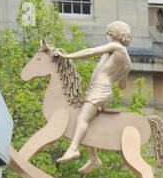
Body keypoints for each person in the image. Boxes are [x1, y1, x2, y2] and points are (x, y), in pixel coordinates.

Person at [54, 21, 133, 167]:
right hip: (106, 92)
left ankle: (73, 148)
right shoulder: (127, 61)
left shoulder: (115, 47)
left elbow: (89, 52)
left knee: (82, 119)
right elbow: (122, 85)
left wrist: (66, 56)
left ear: (113, 35)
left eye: (108, 35)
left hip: (98, 90)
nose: (107, 38)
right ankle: (93, 158)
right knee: (89, 123)